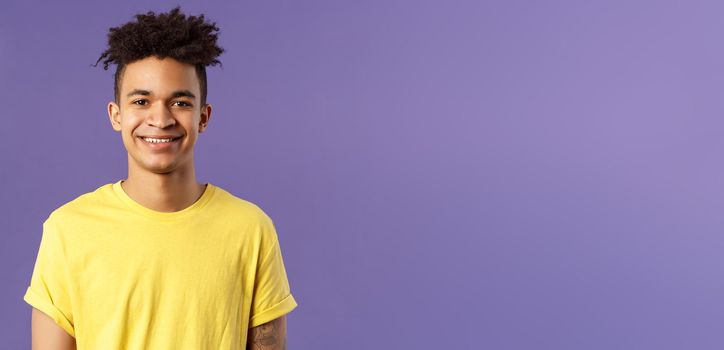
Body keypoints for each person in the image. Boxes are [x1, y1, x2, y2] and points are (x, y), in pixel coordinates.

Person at [22, 6, 297, 349]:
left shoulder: (250, 229)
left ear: (204, 117)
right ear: (116, 115)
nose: (160, 118)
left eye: (180, 102)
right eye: (141, 100)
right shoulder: (68, 230)